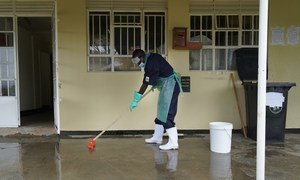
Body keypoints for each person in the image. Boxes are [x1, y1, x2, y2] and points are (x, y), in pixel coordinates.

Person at [129, 49, 182, 150]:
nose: (137, 65)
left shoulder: (150, 63)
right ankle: (157, 137)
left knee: (167, 114)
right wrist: (154, 82)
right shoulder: (150, 58)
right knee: (161, 111)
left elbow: (145, 83)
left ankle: (174, 143)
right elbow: (157, 74)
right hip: (165, 87)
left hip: (171, 86)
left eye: (138, 62)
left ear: (141, 58)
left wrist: (137, 98)